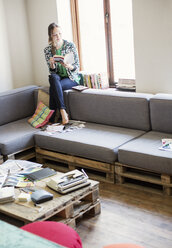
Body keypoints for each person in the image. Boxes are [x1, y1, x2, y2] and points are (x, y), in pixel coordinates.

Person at [44, 23, 80, 124]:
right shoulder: (48, 50)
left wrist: (70, 66)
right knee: (53, 78)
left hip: (71, 78)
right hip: (58, 78)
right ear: (51, 36)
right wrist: (52, 65)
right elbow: (52, 72)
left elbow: (77, 66)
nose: (58, 36)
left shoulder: (70, 45)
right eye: (55, 34)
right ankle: (62, 111)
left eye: (60, 33)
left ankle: (54, 116)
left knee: (53, 87)